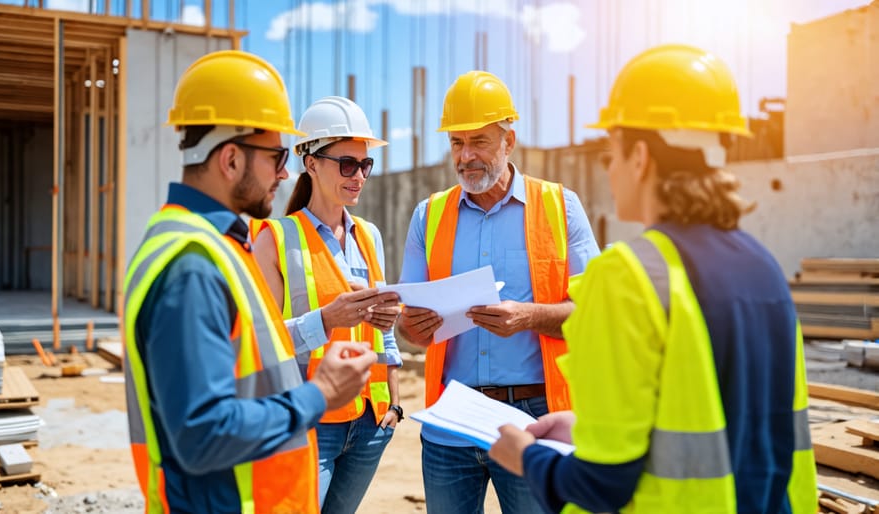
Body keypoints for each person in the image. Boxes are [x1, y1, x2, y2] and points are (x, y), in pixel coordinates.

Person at [488, 44, 818, 514]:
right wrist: (589, 425)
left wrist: (527, 456)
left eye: (611, 154)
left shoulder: (626, 276)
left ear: (640, 157)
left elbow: (603, 485)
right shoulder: (764, 268)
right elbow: (721, 416)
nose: (610, 169)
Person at [122, 51, 378, 514]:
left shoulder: (218, 245)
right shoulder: (193, 266)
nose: (285, 172)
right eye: (278, 157)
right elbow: (201, 435)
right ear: (231, 159)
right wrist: (317, 395)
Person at [396, 70, 600, 514]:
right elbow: (408, 328)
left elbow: (594, 316)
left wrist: (528, 317)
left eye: (479, 141)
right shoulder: (427, 216)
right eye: (456, 143)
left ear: (509, 141)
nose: (466, 156)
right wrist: (412, 325)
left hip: (535, 421)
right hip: (450, 420)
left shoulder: (561, 207)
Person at [250, 96, 403, 514]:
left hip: (370, 422)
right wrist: (326, 319)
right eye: (347, 165)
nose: (359, 176)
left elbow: (382, 330)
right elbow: (261, 343)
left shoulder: (369, 236)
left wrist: (393, 401)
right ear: (311, 163)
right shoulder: (275, 239)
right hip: (309, 419)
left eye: (365, 165)